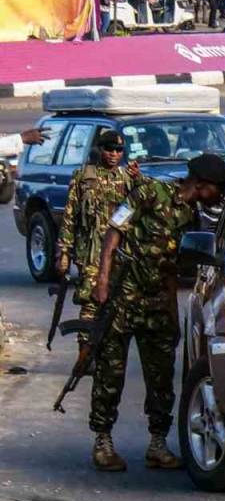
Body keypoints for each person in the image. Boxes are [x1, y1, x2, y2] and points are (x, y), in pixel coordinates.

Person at [88, 154, 225, 472]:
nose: (219, 196)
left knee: (161, 377)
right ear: (201, 184)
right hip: (122, 298)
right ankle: (103, 442)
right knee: (110, 372)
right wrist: (101, 281)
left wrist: (172, 312)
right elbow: (113, 232)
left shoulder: (191, 218)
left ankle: (157, 444)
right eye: (217, 189)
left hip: (156, 304)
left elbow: (172, 270)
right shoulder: (149, 192)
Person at [55, 131, 139, 369]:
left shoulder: (128, 177)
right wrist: (63, 253)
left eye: (118, 151)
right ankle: (85, 355)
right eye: (109, 149)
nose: (114, 155)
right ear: (99, 149)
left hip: (120, 254)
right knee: (91, 303)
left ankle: (108, 356)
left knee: (117, 306)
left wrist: (139, 180)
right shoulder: (83, 177)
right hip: (91, 252)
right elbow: (70, 217)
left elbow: (141, 210)